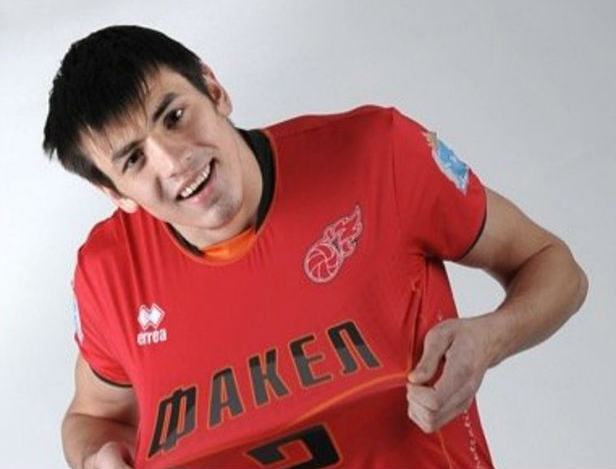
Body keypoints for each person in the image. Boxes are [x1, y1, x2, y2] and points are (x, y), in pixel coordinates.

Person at [43, 25, 588, 469]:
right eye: (134, 159)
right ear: (115, 193)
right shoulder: (107, 273)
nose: (173, 160)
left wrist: (488, 340)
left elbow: (553, 265)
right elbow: (93, 418)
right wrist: (97, 458)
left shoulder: (378, 155)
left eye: (175, 117)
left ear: (214, 89)